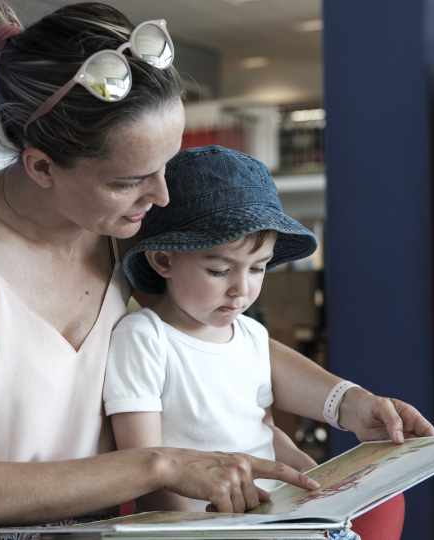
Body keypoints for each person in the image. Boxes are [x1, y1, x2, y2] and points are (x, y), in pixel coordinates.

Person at [0, 2, 434, 539]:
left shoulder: (125, 223)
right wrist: (161, 463)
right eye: (130, 179)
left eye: (166, 165)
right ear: (42, 166)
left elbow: (224, 332)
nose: (162, 196)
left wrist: (346, 401)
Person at [105, 146, 326, 514]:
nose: (242, 289)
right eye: (220, 270)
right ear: (164, 260)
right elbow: (142, 464)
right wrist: (192, 529)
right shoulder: (144, 339)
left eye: (258, 269)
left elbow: (263, 429)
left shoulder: (252, 335)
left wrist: (309, 471)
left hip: (275, 515)